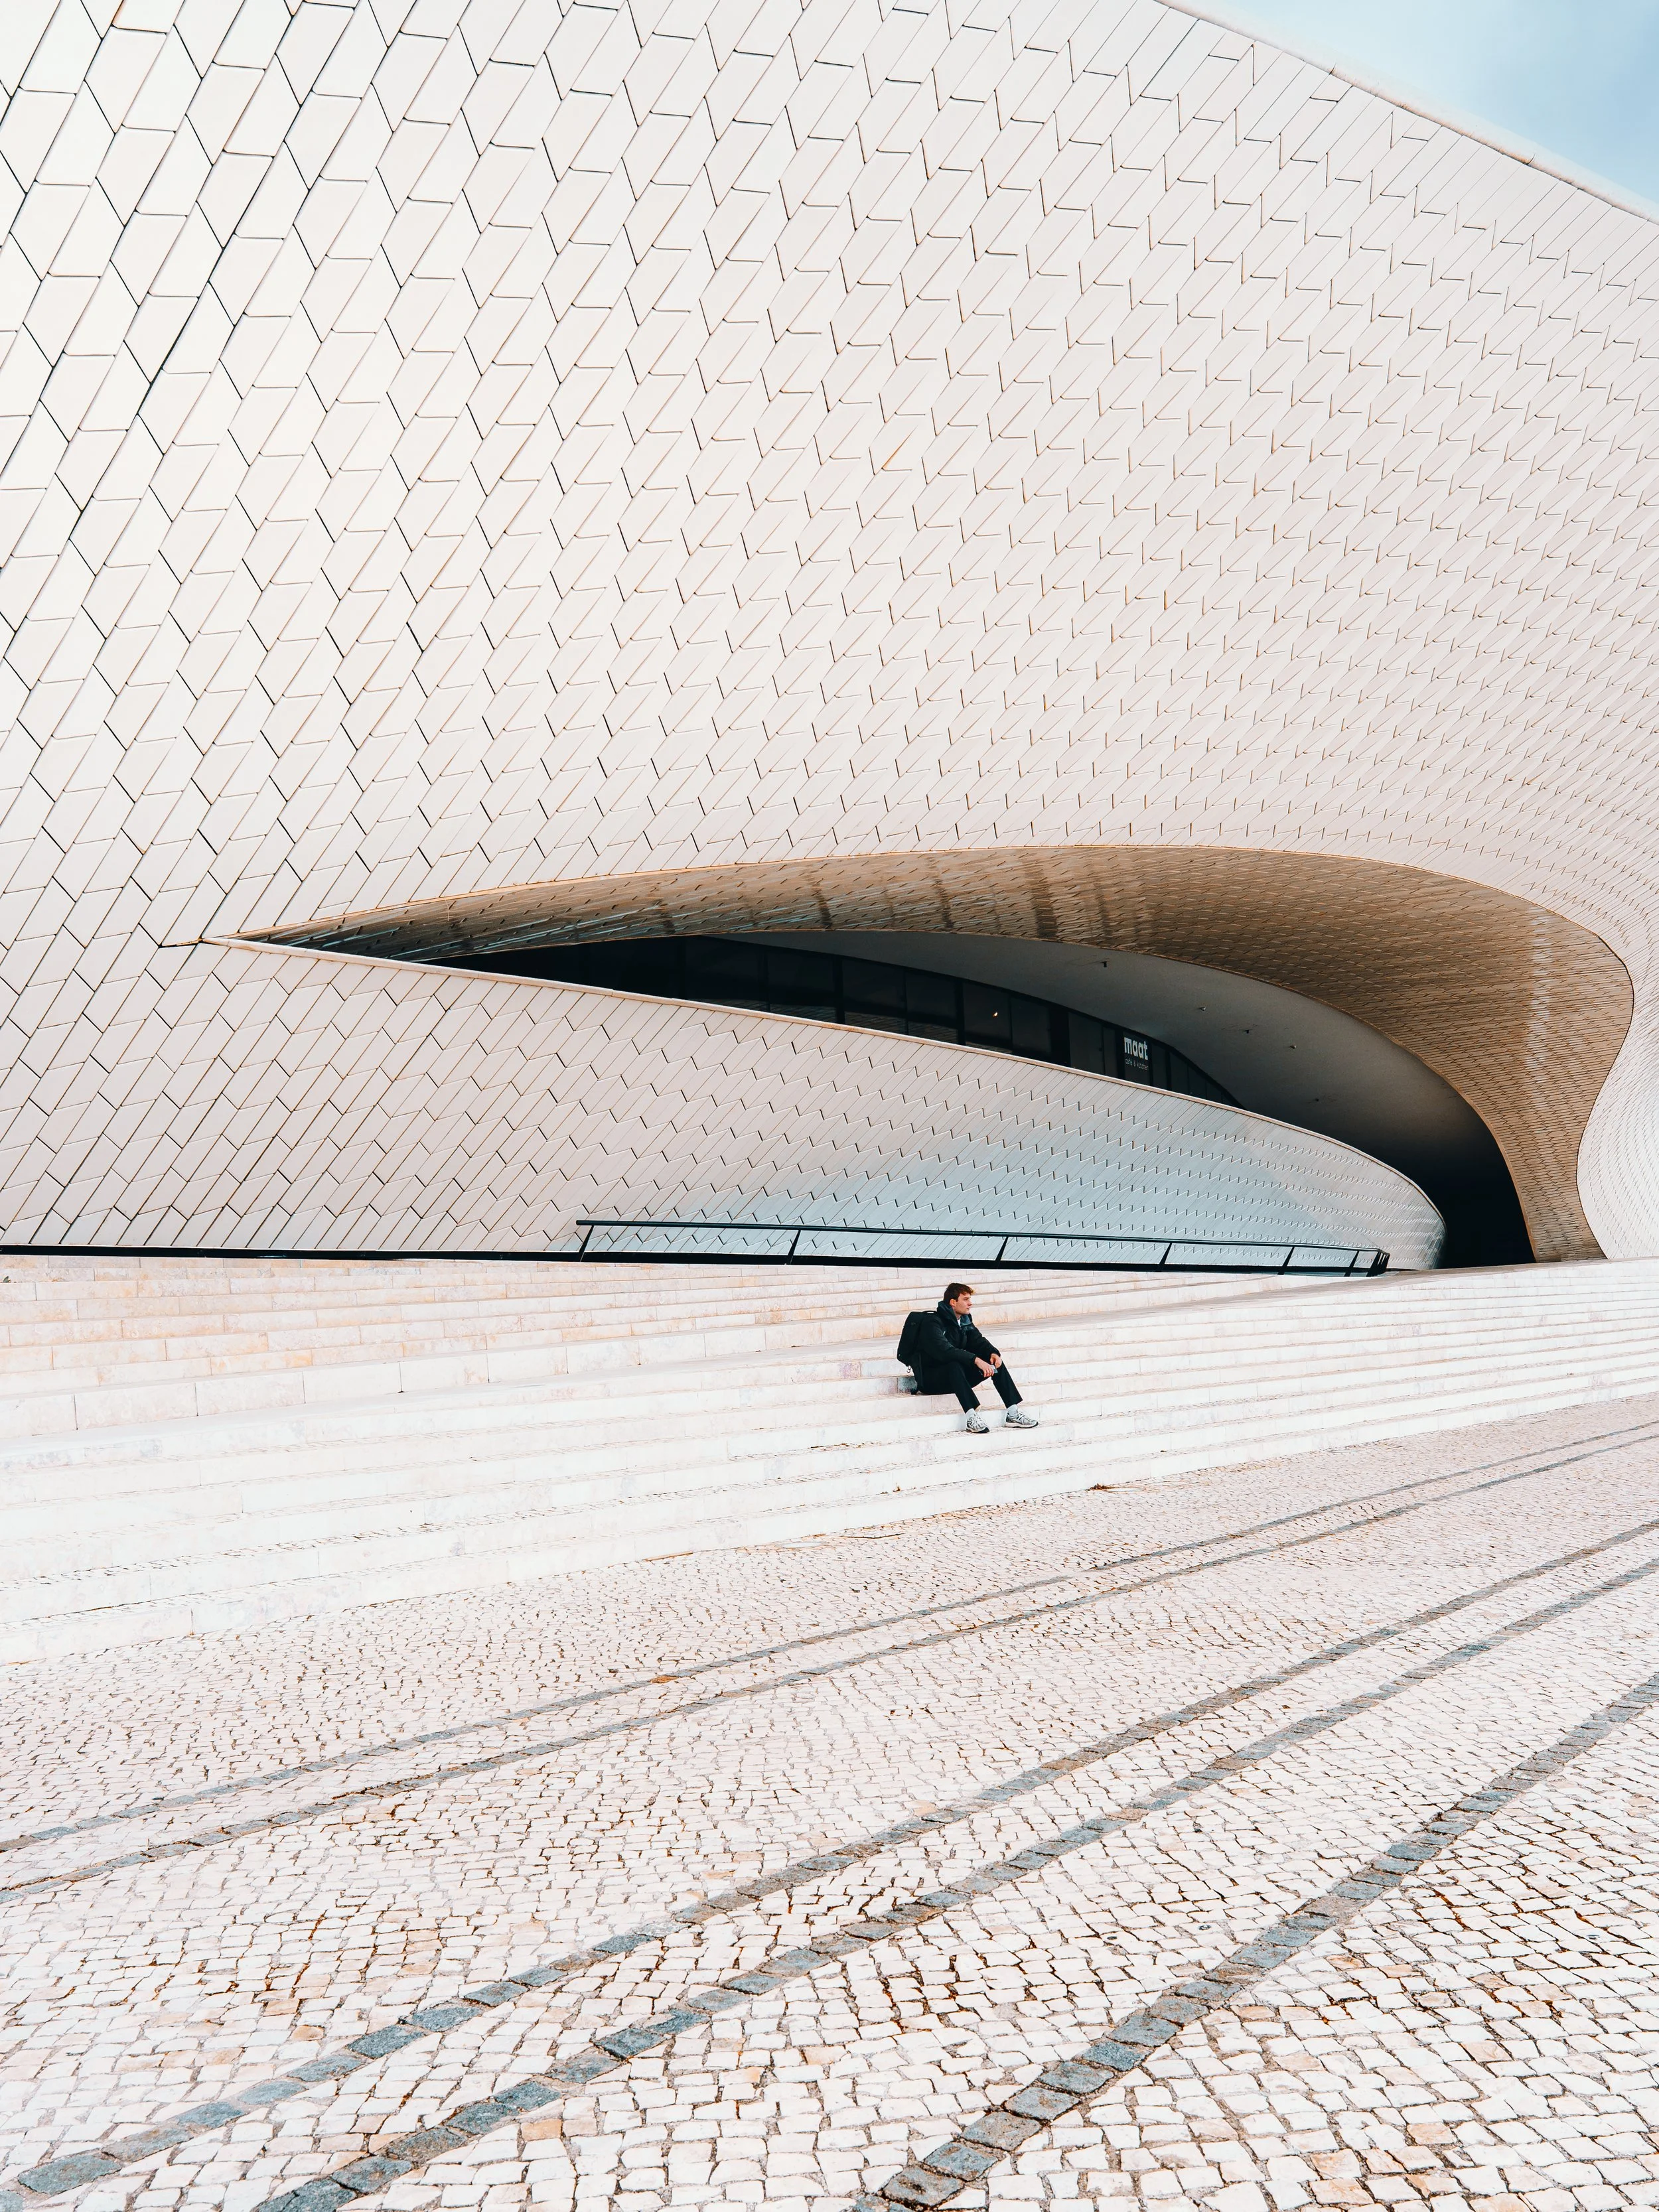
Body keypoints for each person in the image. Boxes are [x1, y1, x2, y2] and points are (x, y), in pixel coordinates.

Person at [906, 1282, 1039, 1434]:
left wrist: (993, 1353)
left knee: (994, 1362)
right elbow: (945, 1351)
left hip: (957, 1380)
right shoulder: (932, 1323)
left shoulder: (964, 1321)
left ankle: (1013, 1412)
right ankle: (971, 1416)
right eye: (966, 1299)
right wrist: (976, 1360)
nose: (970, 1303)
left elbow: (977, 1341)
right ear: (953, 1302)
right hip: (930, 1380)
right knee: (953, 1364)